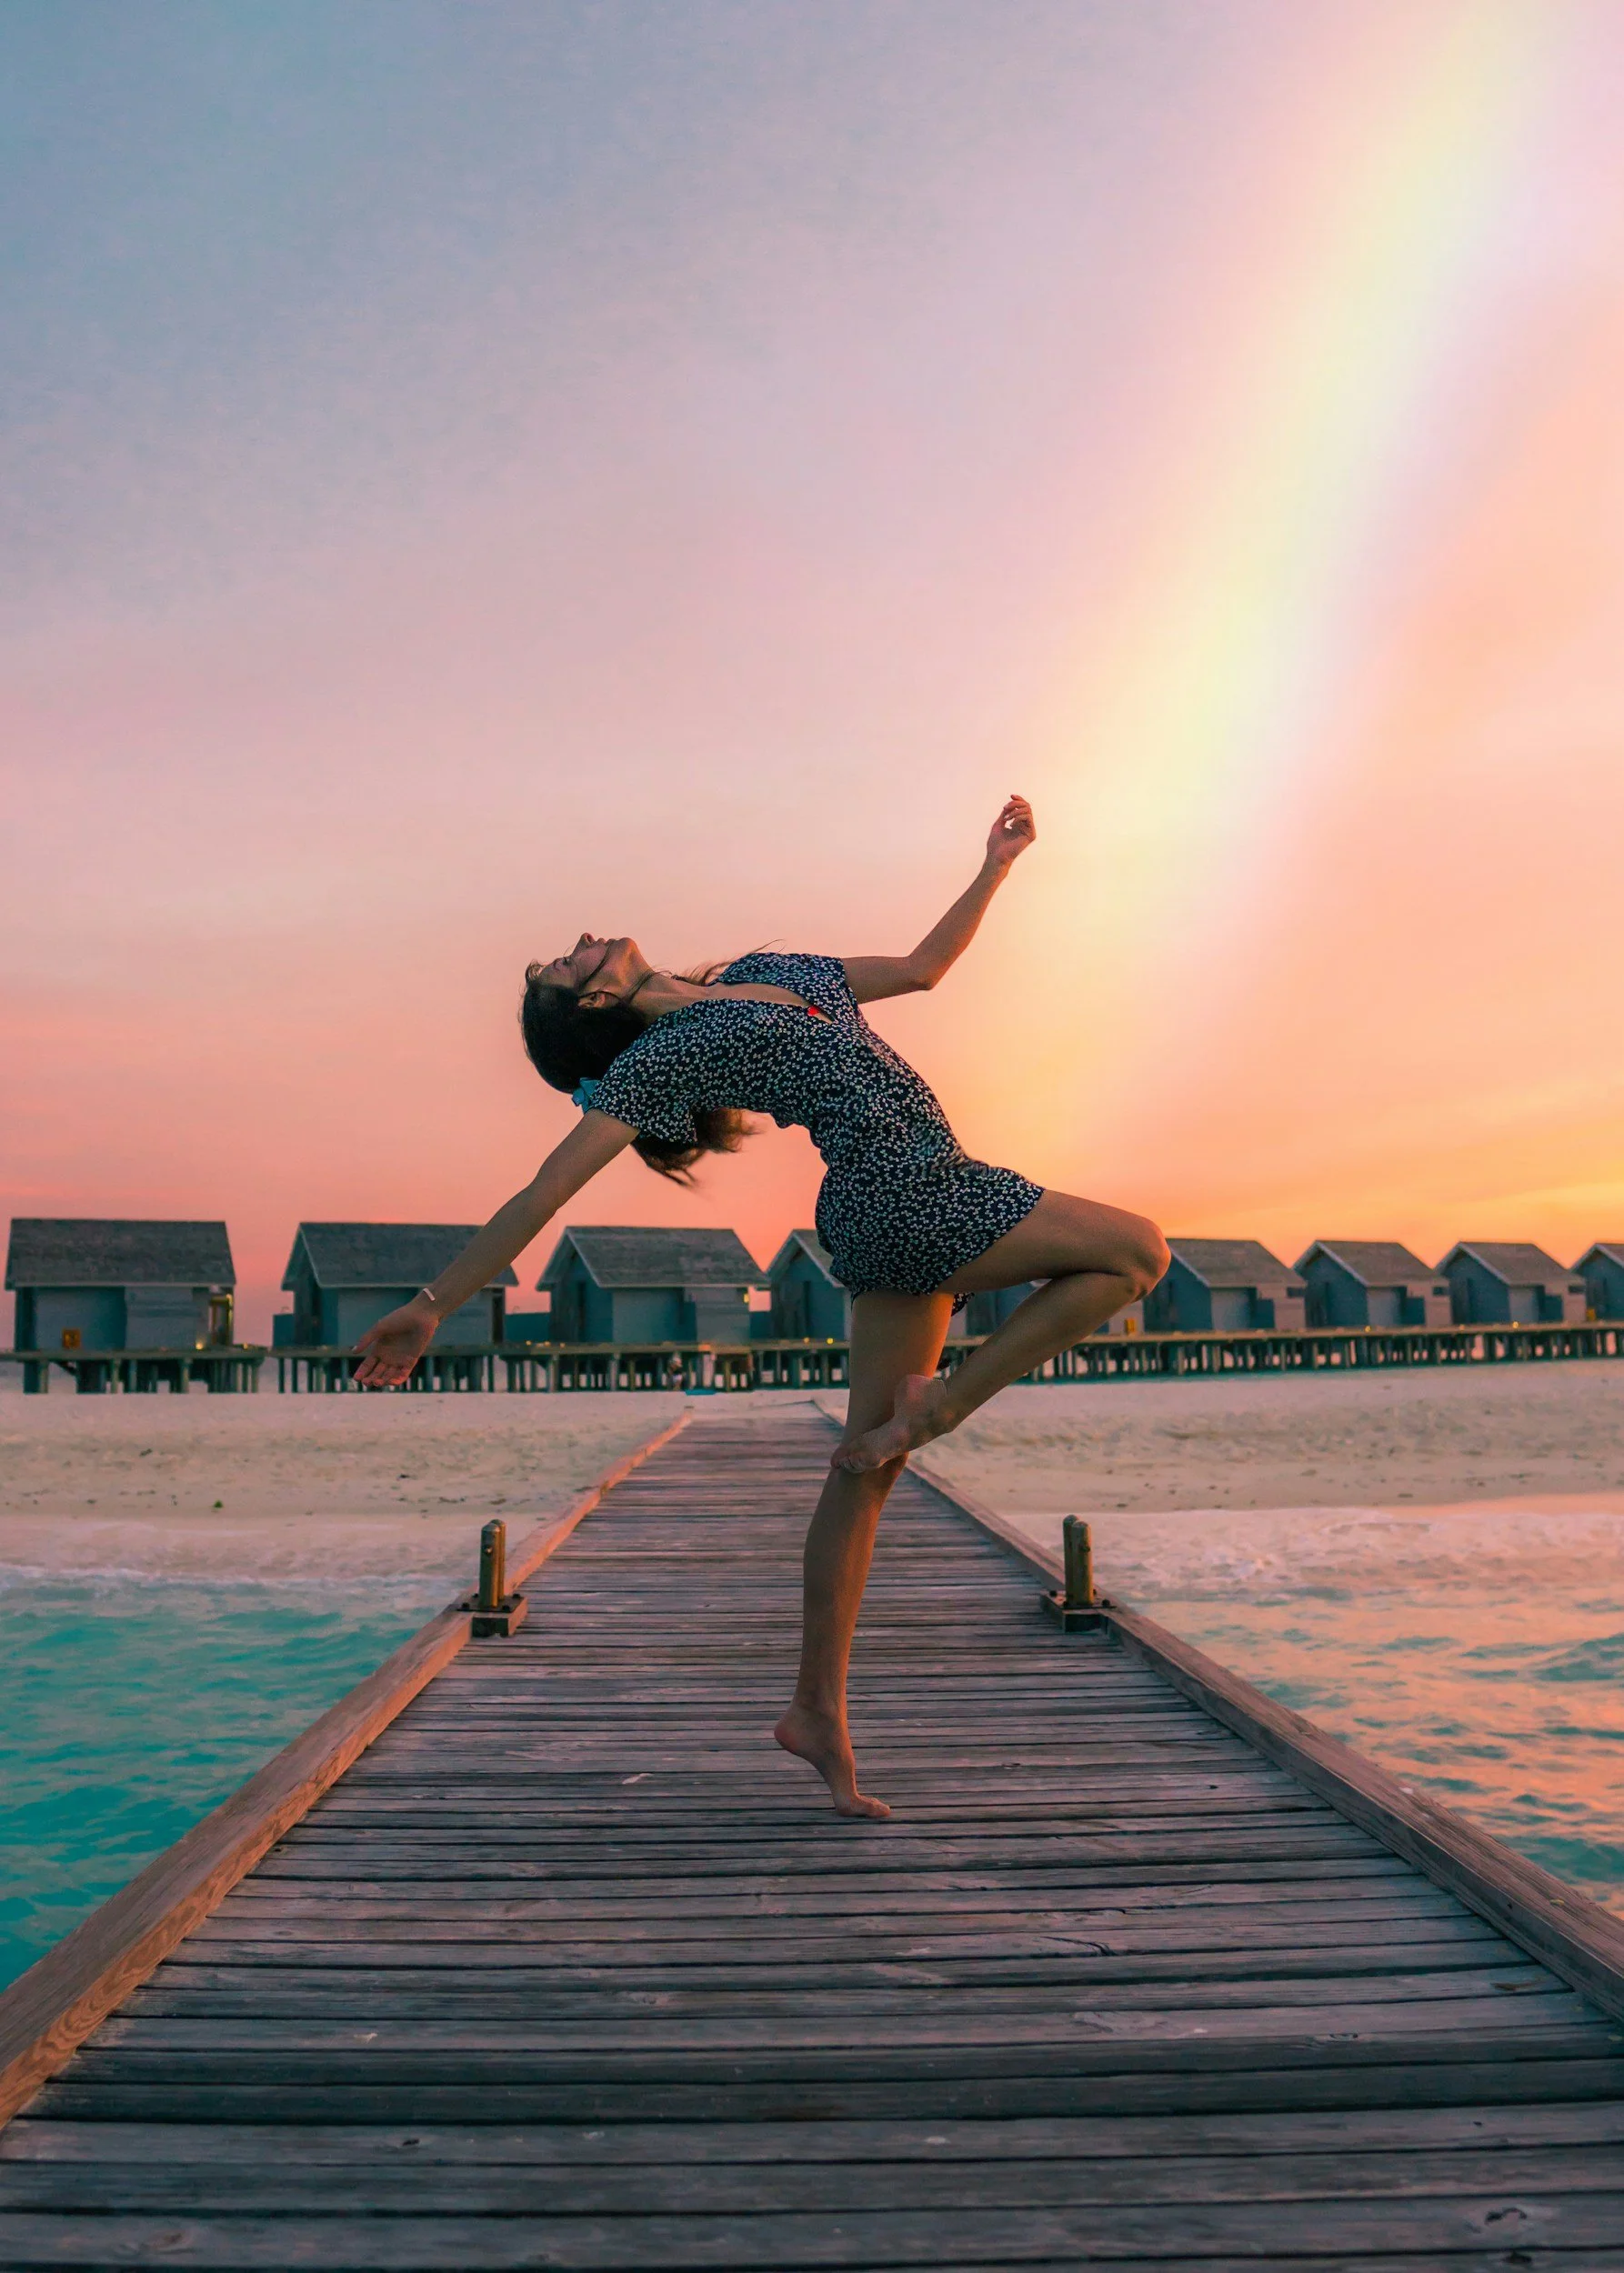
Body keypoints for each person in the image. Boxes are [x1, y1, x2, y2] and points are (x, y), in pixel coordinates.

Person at [355, 797, 1168, 1817]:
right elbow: (543, 1193)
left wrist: (994, 866)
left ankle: (814, 1710)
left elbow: (922, 968)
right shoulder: (667, 1056)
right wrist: (432, 1304)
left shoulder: (775, 972)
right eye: (569, 965)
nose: (582, 942)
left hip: (888, 1209)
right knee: (1137, 1250)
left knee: (866, 1467)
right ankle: (944, 1404)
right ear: (596, 1007)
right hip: (910, 1192)